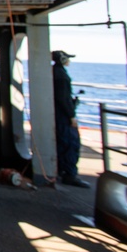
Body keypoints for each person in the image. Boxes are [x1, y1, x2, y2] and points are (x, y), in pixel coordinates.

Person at [52, 50, 89, 188]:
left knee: (63, 143)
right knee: (70, 143)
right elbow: (63, 98)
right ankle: (69, 174)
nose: (69, 61)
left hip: (59, 114)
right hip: (63, 116)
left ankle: (62, 170)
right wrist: (71, 115)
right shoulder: (61, 75)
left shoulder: (55, 72)